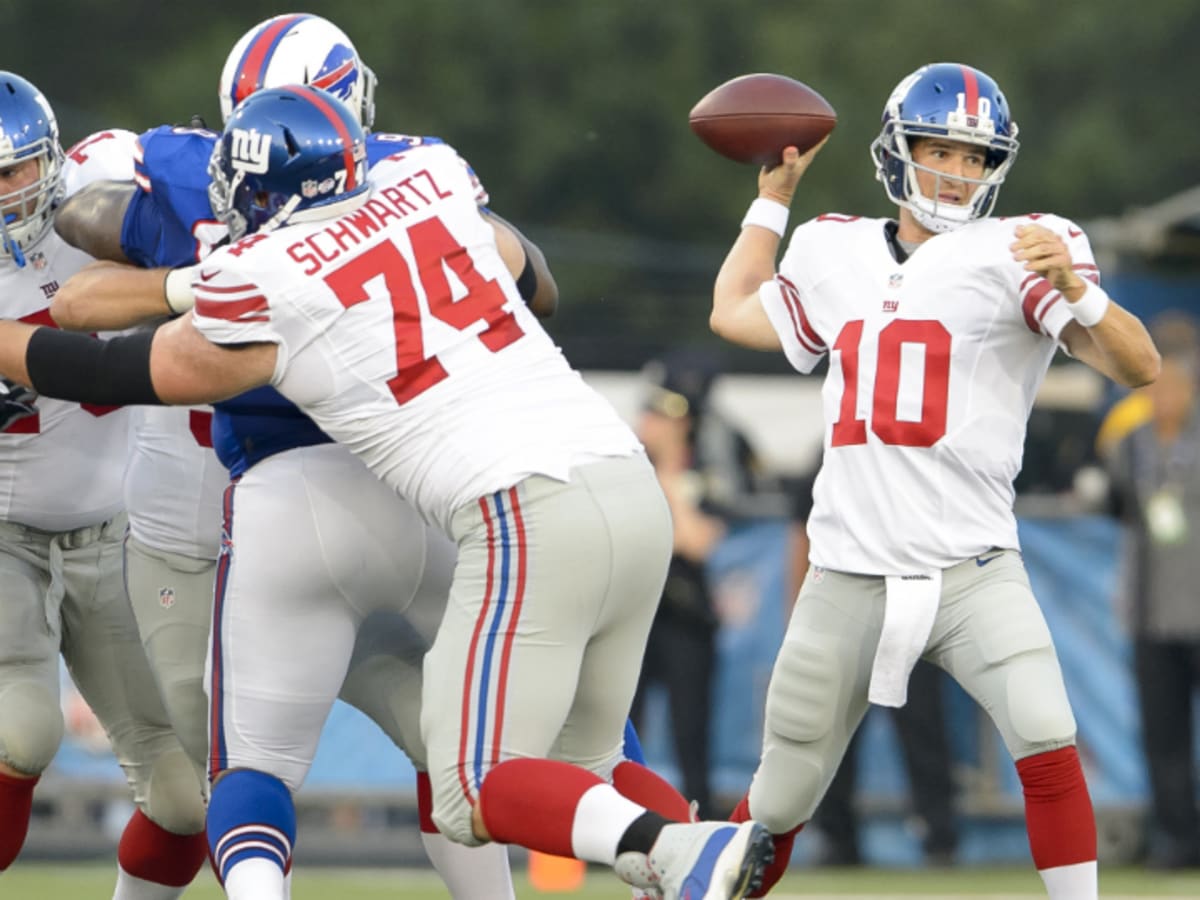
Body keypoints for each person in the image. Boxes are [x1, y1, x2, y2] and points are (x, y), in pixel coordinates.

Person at [2, 85, 775, 900]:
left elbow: (110, 366)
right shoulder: (432, 177)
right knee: (593, 760)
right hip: (625, 484)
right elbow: (533, 276)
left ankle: (675, 846)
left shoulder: (264, 269)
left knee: (471, 783)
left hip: (512, 514)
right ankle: (692, 854)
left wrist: (177, 281)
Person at [48, 13, 535, 898]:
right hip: (235, 530)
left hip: (284, 516)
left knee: (420, 752)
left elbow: (82, 218)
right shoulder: (410, 177)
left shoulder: (181, 172)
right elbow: (530, 275)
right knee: (192, 790)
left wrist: (168, 250)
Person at [707, 61, 1161, 898]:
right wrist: (772, 199)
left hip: (971, 565)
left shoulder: (1020, 248)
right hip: (848, 569)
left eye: (977, 158)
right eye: (941, 149)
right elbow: (732, 310)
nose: (959, 172)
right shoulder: (831, 246)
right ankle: (696, 886)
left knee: (1046, 735)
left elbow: (1139, 366)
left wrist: (1077, 292)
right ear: (898, 149)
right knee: (782, 790)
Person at [0, 71, 210, 897]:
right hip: (4, 529)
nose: (6, 194)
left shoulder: (101, 192)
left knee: (181, 796)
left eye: (16, 170)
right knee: (24, 729)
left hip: (113, 533)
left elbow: (196, 187)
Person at [787, 466, 959, 867]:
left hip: (911, 608)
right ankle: (837, 836)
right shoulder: (833, 454)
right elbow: (802, 538)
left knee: (923, 729)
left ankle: (940, 836)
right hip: (848, 612)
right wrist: (800, 616)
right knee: (835, 733)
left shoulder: (914, 455)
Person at [1105, 310, 1200, 870]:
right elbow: (1115, 506)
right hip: (1151, 611)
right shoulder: (1131, 442)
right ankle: (1176, 838)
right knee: (1162, 736)